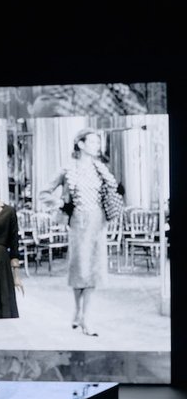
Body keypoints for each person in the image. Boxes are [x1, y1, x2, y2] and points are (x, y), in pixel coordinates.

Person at [41, 129, 123, 337]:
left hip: (98, 222)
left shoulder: (100, 169)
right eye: (93, 142)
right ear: (81, 144)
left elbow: (113, 192)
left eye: (98, 142)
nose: (97, 146)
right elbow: (44, 193)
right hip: (78, 222)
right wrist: (60, 203)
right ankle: (78, 311)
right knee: (80, 269)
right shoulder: (68, 169)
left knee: (94, 270)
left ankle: (87, 317)